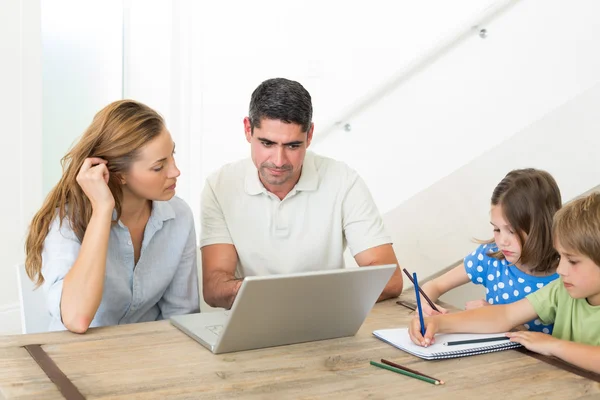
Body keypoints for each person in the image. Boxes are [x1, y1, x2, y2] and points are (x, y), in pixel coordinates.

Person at [200, 77, 403, 309]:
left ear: (310, 135)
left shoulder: (344, 181)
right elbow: (215, 286)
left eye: (293, 146)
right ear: (248, 129)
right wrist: (278, 297)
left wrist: (296, 298)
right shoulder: (220, 185)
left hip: (326, 320)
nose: (278, 161)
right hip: (253, 318)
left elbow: (390, 279)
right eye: (267, 143)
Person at [25, 100, 199, 333]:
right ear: (119, 175)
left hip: (148, 358)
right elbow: (77, 319)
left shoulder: (179, 216)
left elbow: (182, 318)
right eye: (159, 167)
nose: (175, 171)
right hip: (78, 359)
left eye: (172, 156)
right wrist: (102, 210)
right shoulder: (67, 222)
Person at [409, 191, 600, 374]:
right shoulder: (561, 290)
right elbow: (505, 314)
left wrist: (552, 345)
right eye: (560, 257)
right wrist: (438, 322)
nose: (561, 270)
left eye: (573, 261)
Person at [420, 169, 561, 333]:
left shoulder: (568, 274)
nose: (502, 241)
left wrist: (491, 315)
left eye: (512, 231)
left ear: (540, 227)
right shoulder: (491, 256)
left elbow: (562, 347)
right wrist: (424, 305)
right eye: (496, 229)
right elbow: (435, 285)